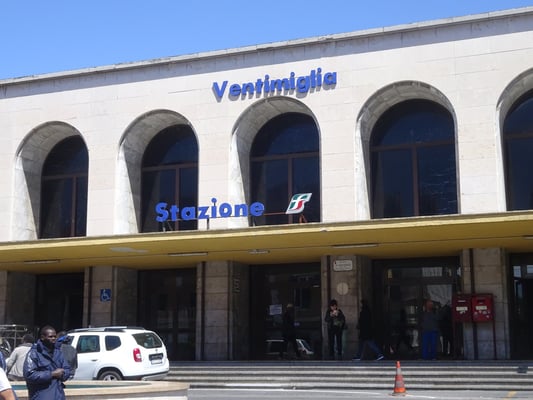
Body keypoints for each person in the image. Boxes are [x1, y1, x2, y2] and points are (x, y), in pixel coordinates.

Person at [23, 325, 71, 400]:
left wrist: (63, 373)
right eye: (50, 337)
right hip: (41, 396)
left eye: (55, 336)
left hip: (58, 395)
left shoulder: (58, 353)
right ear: (42, 337)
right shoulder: (34, 353)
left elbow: (67, 369)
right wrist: (52, 374)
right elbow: (29, 375)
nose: (53, 338)